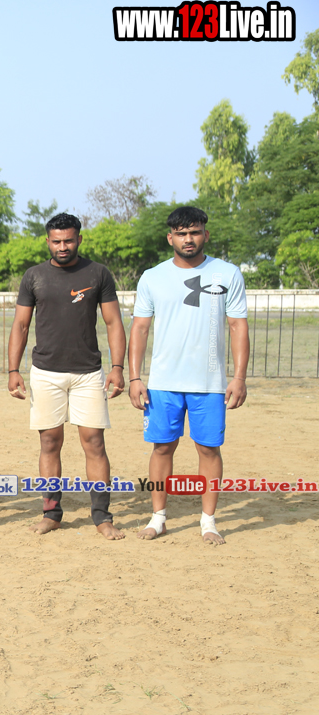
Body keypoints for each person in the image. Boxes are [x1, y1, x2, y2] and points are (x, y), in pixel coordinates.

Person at [128, 206, 249, 544]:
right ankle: (158, 517)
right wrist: (135, 377)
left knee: (209, 450)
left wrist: (239, 377)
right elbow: (140, 329)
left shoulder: (228, 274)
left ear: (205, 234)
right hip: (163, 383)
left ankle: (208, 521)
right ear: (170, 238)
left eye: (194, 232)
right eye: (181, 234)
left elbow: (238, 326)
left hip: (209, 384)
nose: (188, 239)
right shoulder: (152, 277)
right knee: (162, 448)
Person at [6, 213, 126, 539]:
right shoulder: (34, 276)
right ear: (47, 241)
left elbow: (113, 322)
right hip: (45, 373)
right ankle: (51, 513)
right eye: (57, 241)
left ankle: (102, 517)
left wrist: (117, 367)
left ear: (79, 240)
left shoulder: (98, 273)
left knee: (94, 442)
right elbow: (20, 325)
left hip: (88, 373)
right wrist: (13, 370)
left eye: (69, 240)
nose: (63, 247)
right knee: (49, 442)